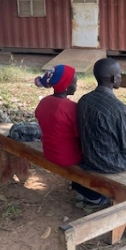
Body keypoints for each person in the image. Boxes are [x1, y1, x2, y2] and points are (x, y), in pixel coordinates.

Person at [34, 64, 106, 205]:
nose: (77, 85)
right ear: (66, 87)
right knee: (98, 153)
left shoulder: (43, 102)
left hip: (49, 152)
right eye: (75, 82)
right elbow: (81, 135)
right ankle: (93, 195)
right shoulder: (71, 108)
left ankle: (80, 188)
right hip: (67, 158)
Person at [77, 58, 126, 176]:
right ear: (114, 79)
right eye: (119, 74)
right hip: (108, 163)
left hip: (89, 158)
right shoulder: (118, 107)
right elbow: (125, 145)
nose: (121, 77)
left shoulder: (84, 100)